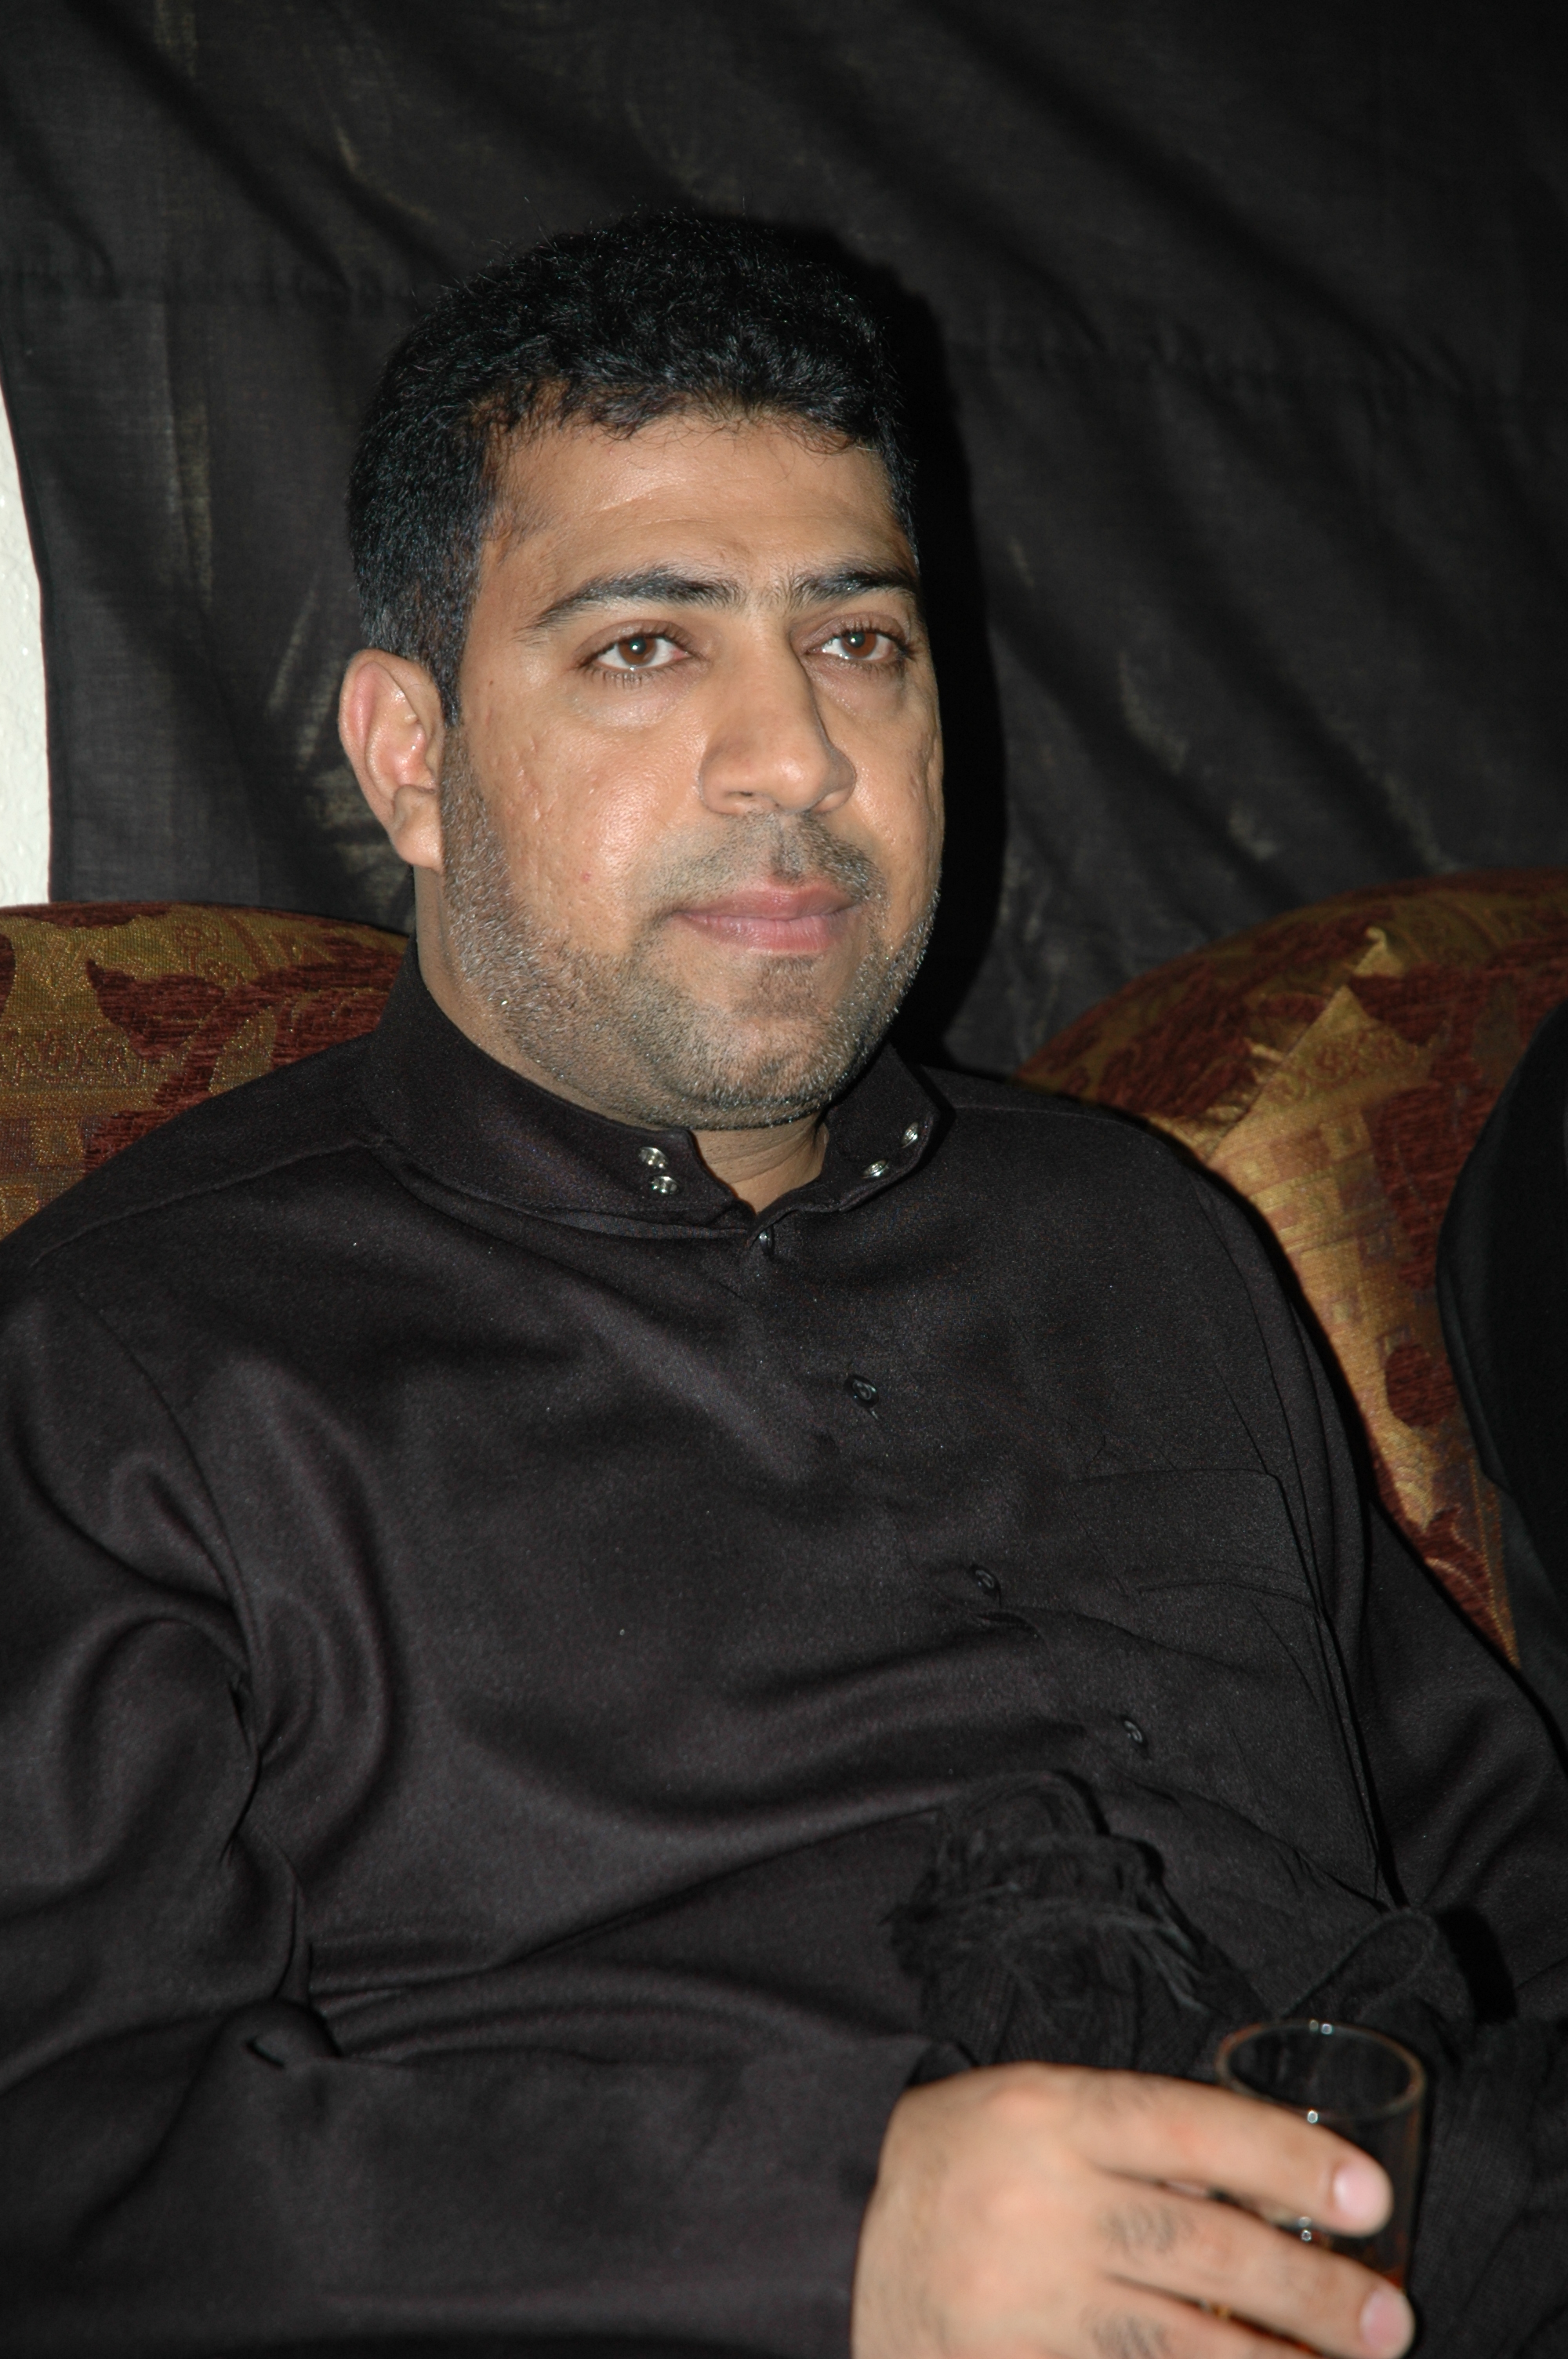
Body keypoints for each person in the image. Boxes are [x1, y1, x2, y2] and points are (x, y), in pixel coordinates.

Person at [2, 213, 1568, 2359]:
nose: (796, 760)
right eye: (646, 647)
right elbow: (70, 2158)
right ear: (407, 756)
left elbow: (1504, 1875)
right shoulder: (130, 1363)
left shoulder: (1143, 1235)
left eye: (858, 642)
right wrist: (834, 2231)